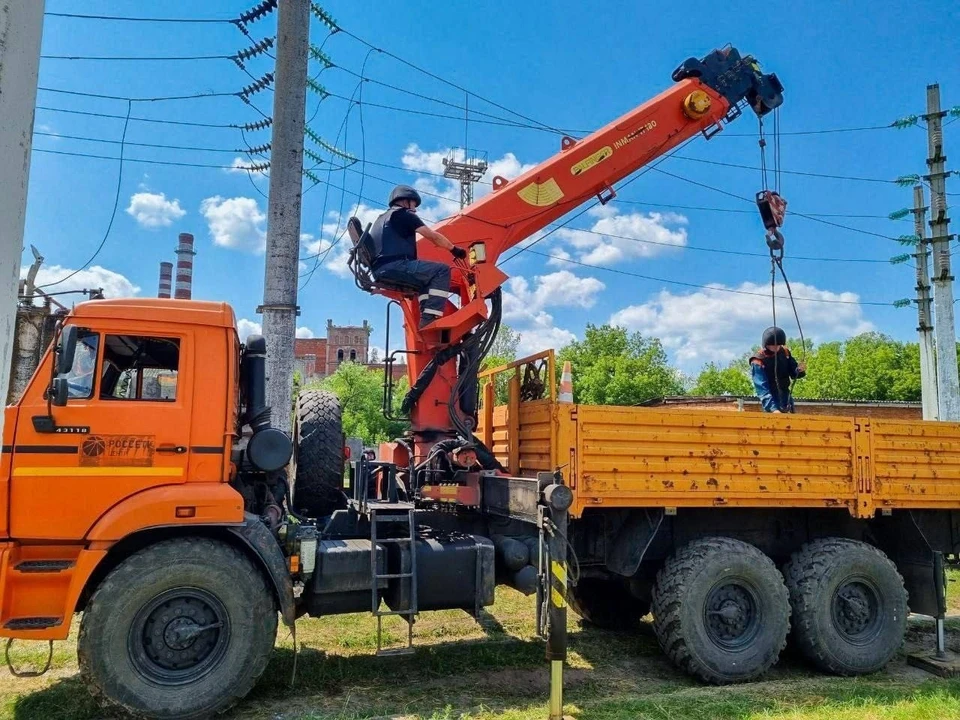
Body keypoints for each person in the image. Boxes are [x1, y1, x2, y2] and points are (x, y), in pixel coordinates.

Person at [368, 185, 467, 329]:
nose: (414, 208)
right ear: (405, 200)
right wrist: (454, 249)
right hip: (396, 265)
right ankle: (430, 317)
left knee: (424, 280)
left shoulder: (381, 219)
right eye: (414, 203)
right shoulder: (404, 215)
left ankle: (426, 315)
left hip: (380, 269)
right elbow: (432, 236)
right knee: (442, 270)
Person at [750, 326, 806, 413]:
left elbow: (793, 373)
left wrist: (799, 370)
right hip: (770, 397)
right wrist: (773, 409)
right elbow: (762, 388)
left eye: (779, 345)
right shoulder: (758, 360)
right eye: (774, 345)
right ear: (767, 344)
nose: (777, 347)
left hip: (786, 397)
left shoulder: (785, 352)